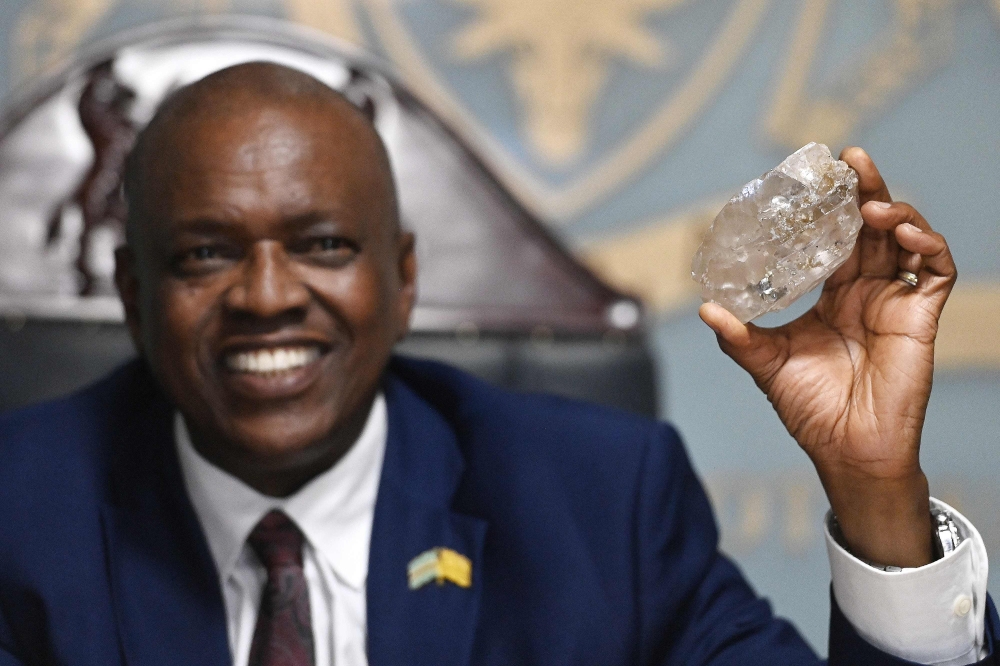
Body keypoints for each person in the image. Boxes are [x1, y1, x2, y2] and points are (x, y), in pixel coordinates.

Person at [0, 61, 993, 666]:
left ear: (404, 280)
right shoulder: (20, 515)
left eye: (324, 245)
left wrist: (875, 493)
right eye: (205, 254)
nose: (266, 296)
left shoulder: (597, 502)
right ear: (132, 293)